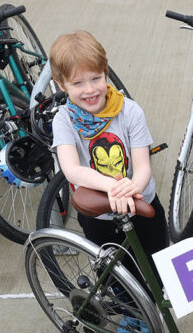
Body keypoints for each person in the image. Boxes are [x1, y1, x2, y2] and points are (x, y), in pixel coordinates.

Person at [49, 31, 169, 286]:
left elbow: (142, 165)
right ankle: (130, 313)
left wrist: (133, 187)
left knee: (158, 262)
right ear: (61, 84)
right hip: (99, 216)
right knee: (114, 273)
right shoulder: (63, 120)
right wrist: (113, 187)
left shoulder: (129, 111)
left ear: (106, 73)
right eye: (78, 83)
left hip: (142, 203)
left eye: (96, 78)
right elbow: (71, 170)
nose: (90, 89)